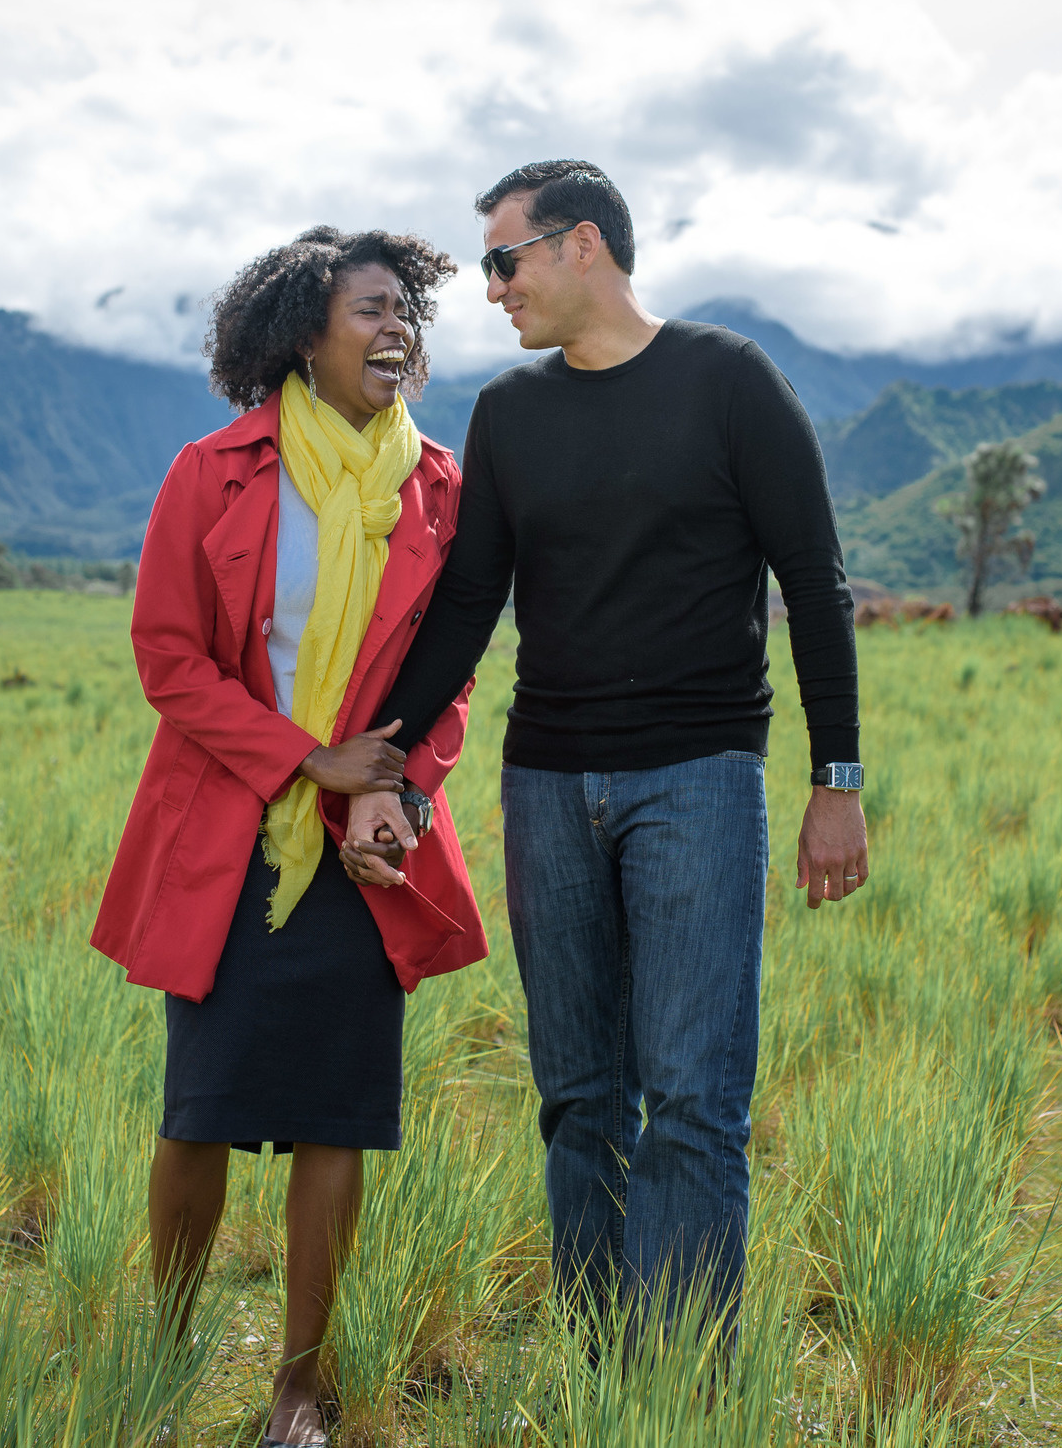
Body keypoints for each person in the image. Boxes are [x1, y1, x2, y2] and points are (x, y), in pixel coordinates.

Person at [351, 160, 870, 1336]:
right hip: (545, 782)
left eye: (503, 258)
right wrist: (383, 767)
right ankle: (600, 1366)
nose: (490, 288)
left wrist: (835, 782)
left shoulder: (728, 381)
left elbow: (816, 588)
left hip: (699, 777)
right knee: (578, 1096)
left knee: (691, 1098)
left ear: (582, 244)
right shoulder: (512, 413)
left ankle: (675, 1375)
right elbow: (469, 601)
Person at [93, 226, 487, 1448]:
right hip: (231, 833)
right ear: (301, 333)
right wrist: (302, 758)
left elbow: (447, 673)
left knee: (340, 1113)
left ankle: (300, 1391)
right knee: (197, 1109)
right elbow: (168, 655)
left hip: (365, 847)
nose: (395, 330)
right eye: (369, 310)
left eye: (405, 311)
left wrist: (398, 788)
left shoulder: (440, 486)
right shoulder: (211, 471)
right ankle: (158, 1359)